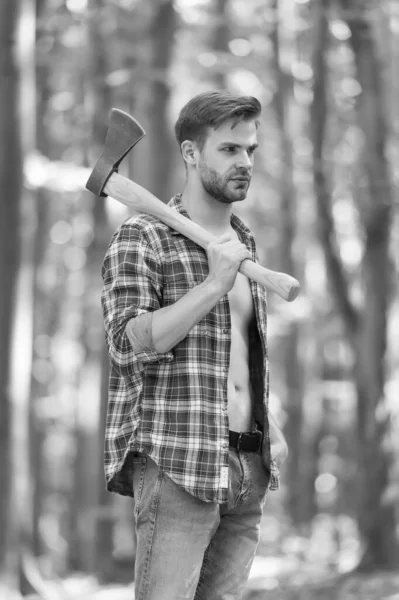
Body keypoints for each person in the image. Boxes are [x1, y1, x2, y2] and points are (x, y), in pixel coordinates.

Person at [101, 91, 288, 600]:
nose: (245, 162)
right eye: (230, 150)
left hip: (249, 466)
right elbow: (126, 342)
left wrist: (269, 426)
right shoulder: (143, 237)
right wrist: (212, 287)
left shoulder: (244, 245)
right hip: (179, 466)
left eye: (251, 150)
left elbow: (239, 356)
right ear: (190, 153)